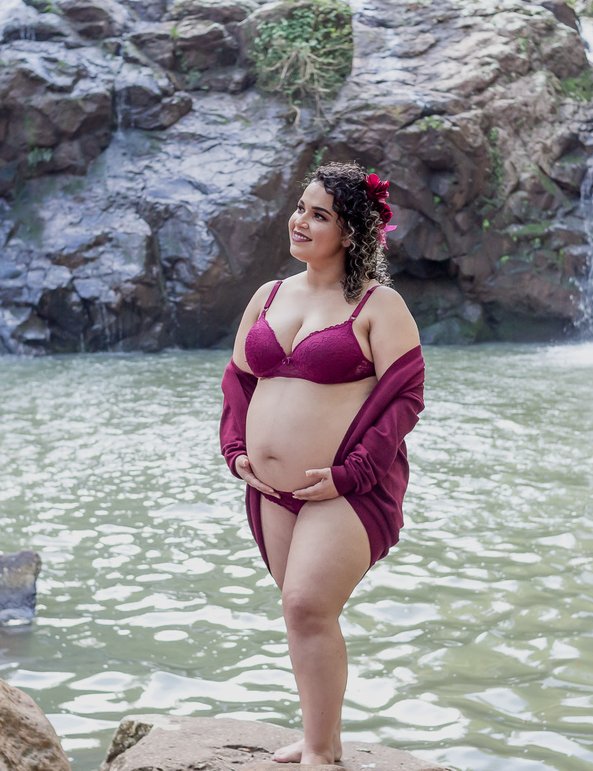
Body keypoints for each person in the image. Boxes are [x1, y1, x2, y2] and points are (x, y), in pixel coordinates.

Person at [219, 161, 425, 764]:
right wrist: (236, 451)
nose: (300, 221)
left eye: (319, 214)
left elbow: (406, 397)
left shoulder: (378, 305)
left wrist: (353, 472)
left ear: (351, 232)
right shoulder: (270, 295)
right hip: (269, 487)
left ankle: (321, 753)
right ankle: (320, 740)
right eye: (300, 208)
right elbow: (238, 380)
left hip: (343, 489)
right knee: (300, 611)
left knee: (308, 605)